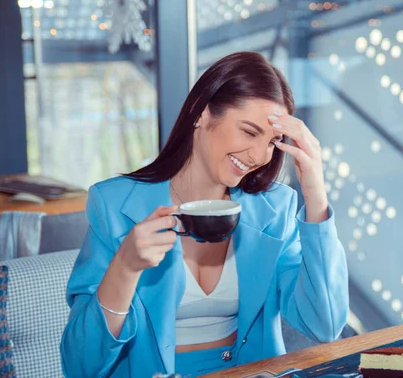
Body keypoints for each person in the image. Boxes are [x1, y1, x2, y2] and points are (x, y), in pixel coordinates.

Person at [60, 52, 349, 378]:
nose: (258, 156)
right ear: (201, 111)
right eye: (250, 132)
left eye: (273, 142)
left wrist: (315, 196)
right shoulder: (114, 204)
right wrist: (125, 267)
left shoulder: (275, 209)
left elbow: (324, 325)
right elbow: (80, 366)